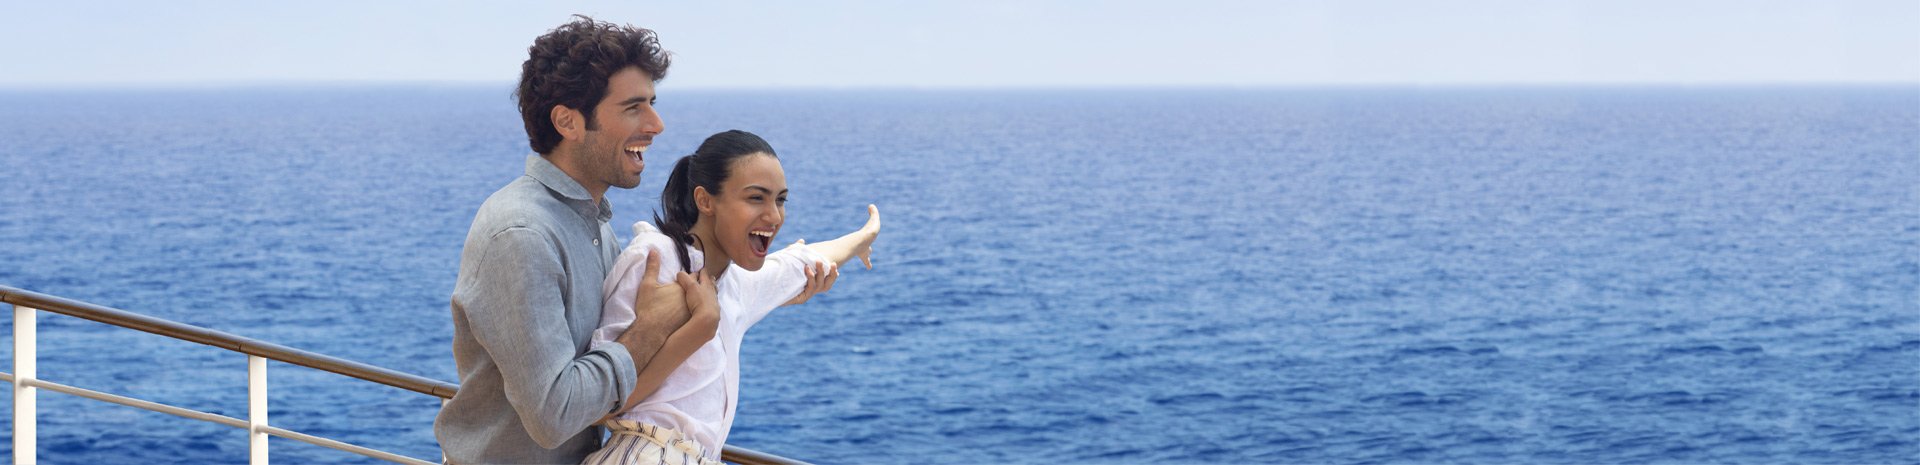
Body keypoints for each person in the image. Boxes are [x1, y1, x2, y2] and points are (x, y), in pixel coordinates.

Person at [436, 16, 716, 465]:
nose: (657, 123)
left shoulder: (591, 223)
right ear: (568, 122)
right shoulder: (522, 234)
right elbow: (555, 414)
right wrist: (649, 328)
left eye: (653, 103)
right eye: (633, 107)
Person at [581, 130, 882, 465]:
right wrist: (699, 327)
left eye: (780, 200)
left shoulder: (735, 283)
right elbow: (598, 404)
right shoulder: (656, 258)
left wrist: (861, 239)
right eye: (756, 198)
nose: (774, 216)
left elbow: (796, 264)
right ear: (705, 200)